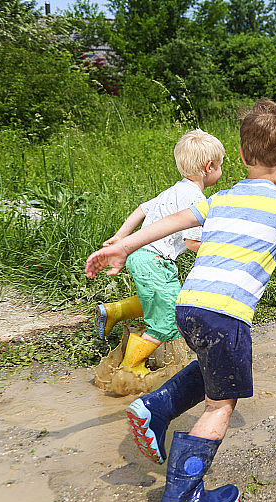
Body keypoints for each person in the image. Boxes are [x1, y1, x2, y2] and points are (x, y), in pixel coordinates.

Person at [85, 99, 276, 502]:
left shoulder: (219, 197)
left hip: (189, 306)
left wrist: (124, 245)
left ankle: (156, 409)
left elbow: (172, 222)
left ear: (241, 156)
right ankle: (181, 500)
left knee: (210, 369)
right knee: (222, 402)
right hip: (227, 314)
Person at [94, 129, 224, 377]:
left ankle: (112, 312)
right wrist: (223, 254)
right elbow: (192, 243)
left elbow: (141, 209)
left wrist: (121, 236)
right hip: (155, 262)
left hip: (140, 256)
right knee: (168, 318)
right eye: (220, 166)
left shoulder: (175, 189)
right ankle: (129, 369)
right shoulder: (196, 199)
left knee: (155, 301)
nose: (220, 171)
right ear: (209, 167)